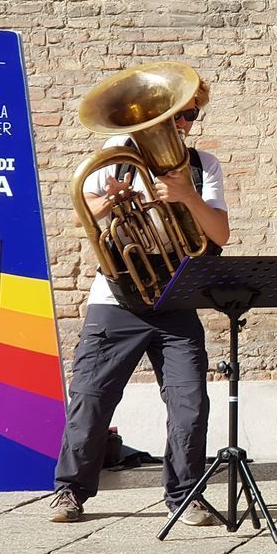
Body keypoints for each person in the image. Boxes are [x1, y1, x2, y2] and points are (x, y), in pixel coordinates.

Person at [50, 70, 230, 525]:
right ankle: (69, 492)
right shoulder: (112, 161)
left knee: (190, 403)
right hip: (116, 296)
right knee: (91, 396)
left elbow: (220, 233)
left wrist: (188, 196)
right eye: (177, 115)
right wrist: (110, 201)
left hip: (174, 298)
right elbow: (80, 219)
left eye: (188, 115)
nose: (180, 124)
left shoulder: (203, 166)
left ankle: (185, 496)